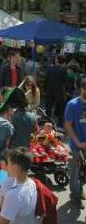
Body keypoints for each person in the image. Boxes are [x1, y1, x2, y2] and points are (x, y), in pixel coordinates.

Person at [64, 78, 86, 208]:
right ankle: (75, 195)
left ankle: (80, 189)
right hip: (76, 146)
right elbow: (68, 126)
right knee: (75, 172)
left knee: (84, 172)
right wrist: (78, 143)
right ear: (81, 89)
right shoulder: (72, 104)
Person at [46, 55, 67, 127]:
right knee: (61, 108)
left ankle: (47, 123)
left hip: (50, 90)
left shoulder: (50, 68)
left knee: (48, 107)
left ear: (57, 60)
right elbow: (64, 81)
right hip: (60, 91)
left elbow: (47, 79)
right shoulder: (64, 70)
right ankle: (60, 125)